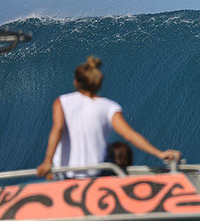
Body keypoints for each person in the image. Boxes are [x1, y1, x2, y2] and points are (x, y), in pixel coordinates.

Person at [36, 56, 180, 178]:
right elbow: (129, 135)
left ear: (76, 82)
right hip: (94, 174)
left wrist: (48, 161)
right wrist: (159, 153)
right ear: (98, 84)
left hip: (64, 174)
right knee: (119, 152)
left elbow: (58, 128)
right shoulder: (109, 106)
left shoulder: (62, 101)